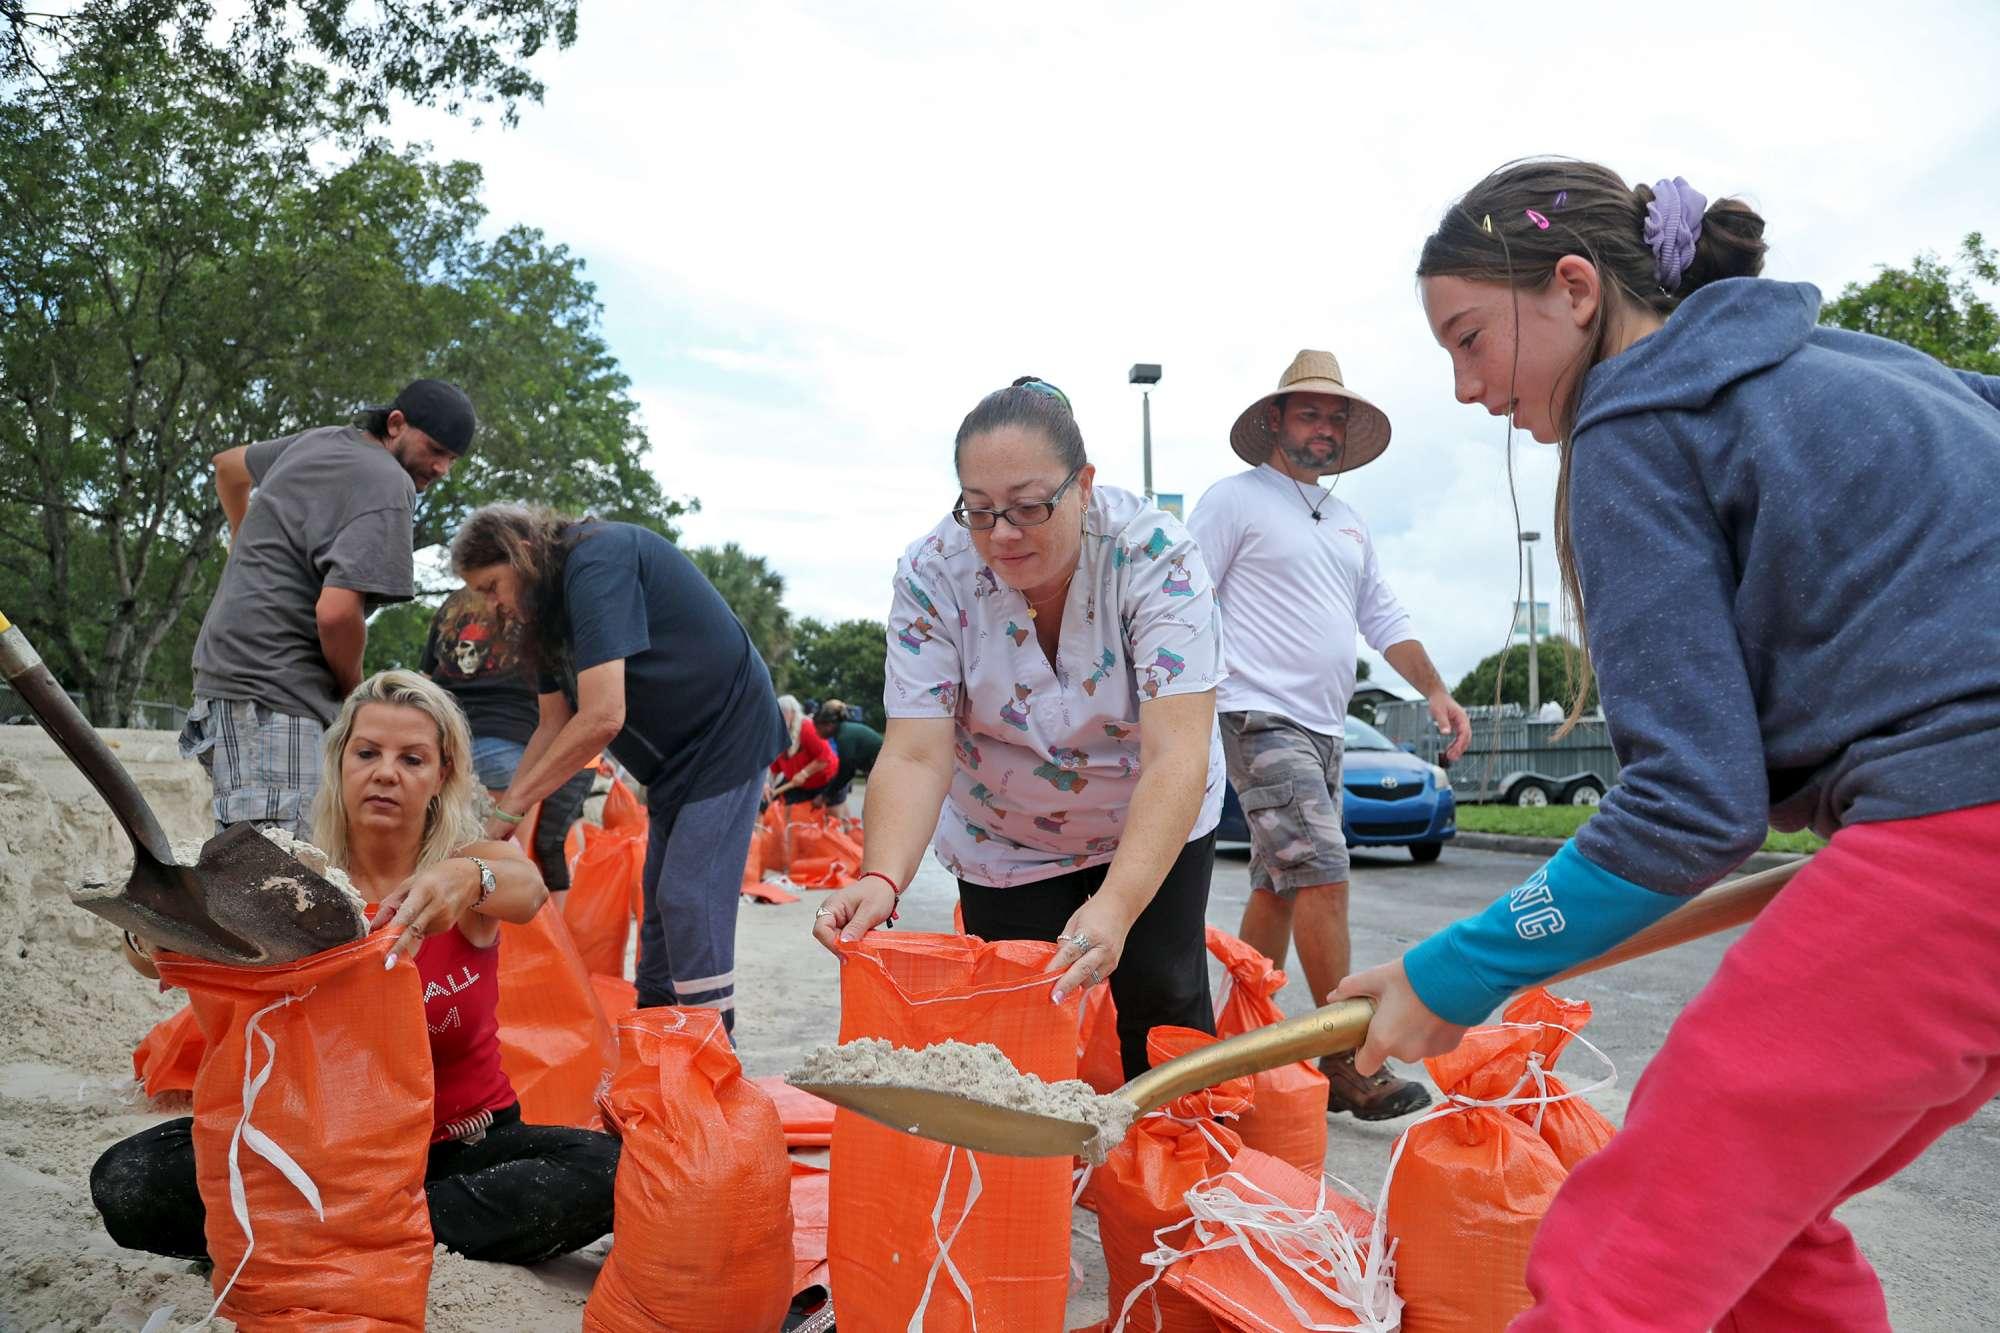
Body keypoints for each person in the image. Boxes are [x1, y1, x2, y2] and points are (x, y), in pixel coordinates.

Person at [1332, 158, 2000, 1330]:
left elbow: (1689, 806)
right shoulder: (1870, 367)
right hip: (1949, 833)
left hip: (1957, 827)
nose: (1463, 387)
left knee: (1631, 1251)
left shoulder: (1637, 420)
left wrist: (1459, 968)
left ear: (1575, 290)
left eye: (1470, 337)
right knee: (1756, 1220)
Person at [94, 670, 619, 1265]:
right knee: (129, 1179)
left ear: (441, 775)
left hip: (462, 1143)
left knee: (608, 1169)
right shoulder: (289, 877)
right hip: (318, 1149)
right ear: (340, 763)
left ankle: (324, 1231)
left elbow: (527, 891)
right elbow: (150, 956)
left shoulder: (467, 869)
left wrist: (469, 879)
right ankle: (386, 1229)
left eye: (413, 759)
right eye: (367, 753)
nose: (386, 772)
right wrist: (149, 935)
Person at [811, 376, 1227, 1080]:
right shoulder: (931, 573)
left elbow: (1176, 751)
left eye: (1029, 507)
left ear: (1084, 484)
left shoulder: (1154, 554)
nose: (1002, 534)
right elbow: (915, 753)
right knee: (1010, 1029)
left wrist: (1118, 903)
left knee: (1163, 1001)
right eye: (979, 511)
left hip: (1148, 812)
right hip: (1005, 831)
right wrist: (882, 874)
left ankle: (1175, 1171)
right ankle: (1022, 1189)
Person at [1187, 350, 1470, 1121]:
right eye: (1309, 412)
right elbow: (1182, 598)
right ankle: (1344, 1058)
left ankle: (1235, 1043)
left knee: (1278, 887)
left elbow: (1385, 618)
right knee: (1322, 871)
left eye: (1335, 416)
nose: (1324, 428)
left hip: (1323, 727)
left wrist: (1437, 689)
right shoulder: (1233, 502)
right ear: (1275, 420)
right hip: (1256, 712)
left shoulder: (1347, 523)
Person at [451, 506, 786, 1025]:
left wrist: (513, 806)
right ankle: (655, 1044)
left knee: (687, 898)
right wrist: (497, 826)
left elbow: (604, 716)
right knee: (656, 909)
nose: (493, 605)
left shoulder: (596, 559)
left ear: (518, 554)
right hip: (672, 764)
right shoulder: (541, 618)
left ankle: (714, 1055)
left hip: (727, 731)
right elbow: (551, 726)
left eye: (493, 586)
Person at [182, 379, 475, 838]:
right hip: (277, 692)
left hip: (230, 685)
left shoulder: (317, 442)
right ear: (396, 424)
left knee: (266, 870)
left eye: (451, 460)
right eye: (434, 449)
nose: (440, 467)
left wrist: (240, 541)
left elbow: (227, 467)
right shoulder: (389, 481)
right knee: (281, 879)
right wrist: (355, 696)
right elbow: (337, 613)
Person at [420, 587, 596, 901]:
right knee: (510, 870)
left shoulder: (451, 605)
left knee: (443, 862)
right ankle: (532, 948)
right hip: (511, 746)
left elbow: (426, 680)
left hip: (445, 750)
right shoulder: (530, 602)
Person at [813, 699, 883, 818]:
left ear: (829, 725)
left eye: (818, 728)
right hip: (876, 769)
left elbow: (846, 772)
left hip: (883, 769)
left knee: (875, 813)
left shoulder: (844, 737)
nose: (816, 732)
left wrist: (825, 796)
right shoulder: (844, 731)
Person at [768, 694, 837, 805]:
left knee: (833, 815)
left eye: (784, 712)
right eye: (778, 712)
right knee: (789, 814)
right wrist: (769, 786)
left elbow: (824, 758)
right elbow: (775, 768)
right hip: (800, 784)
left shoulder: (807, 727)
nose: (780, 716)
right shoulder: (778, 733)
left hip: (826, 781)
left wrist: (804, 773)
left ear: (794, 713)